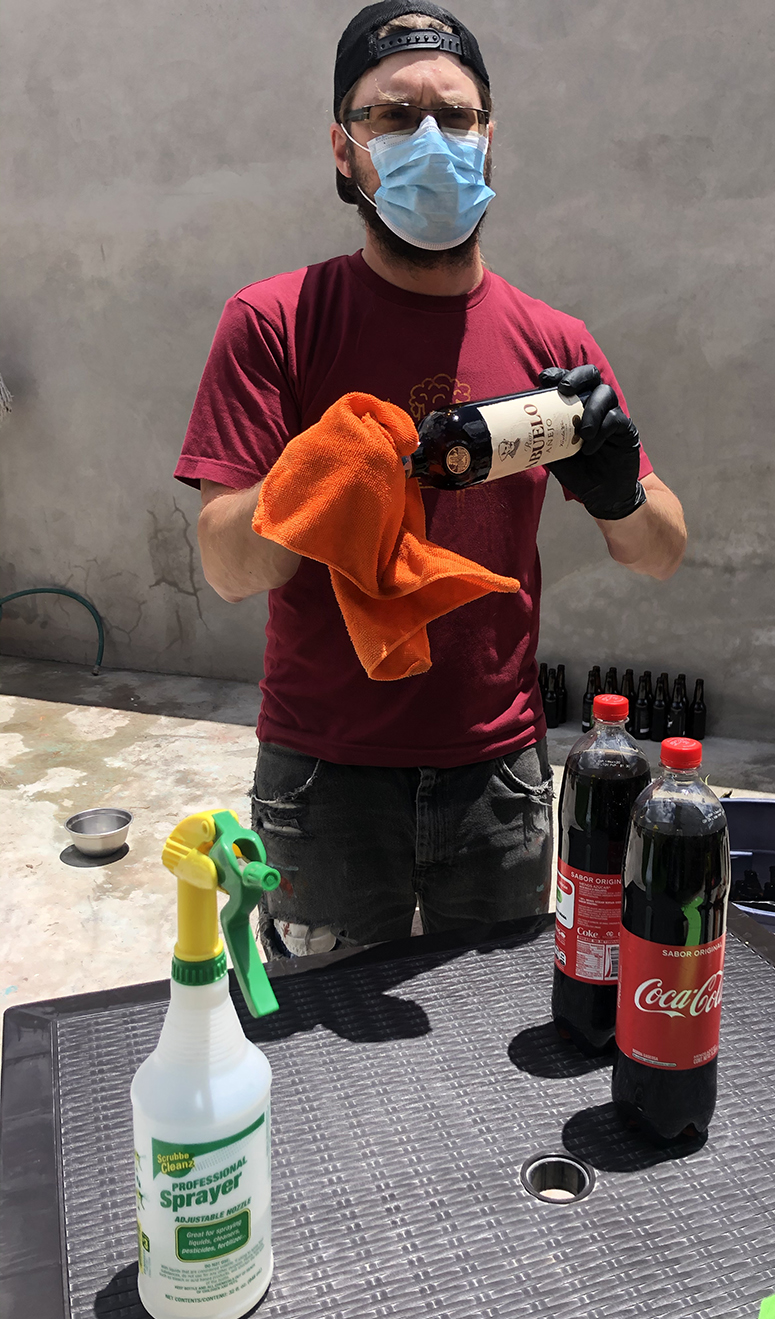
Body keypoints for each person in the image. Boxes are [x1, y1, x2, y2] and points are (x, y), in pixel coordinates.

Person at [178, 1, 687, 960]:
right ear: (343, 148)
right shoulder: (276, 322)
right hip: (325, 777)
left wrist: (618, 484)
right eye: (393, 117)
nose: (431, 140)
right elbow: (229, 565)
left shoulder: (553, 344)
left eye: (456, 117)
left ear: (490, 140)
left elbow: (661, 548)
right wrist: (320, 477)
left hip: (500, 775)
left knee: (490, 1071)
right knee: (324, 1077)